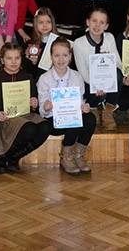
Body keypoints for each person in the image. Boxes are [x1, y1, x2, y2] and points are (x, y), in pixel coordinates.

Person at [37, 37, 97, 175]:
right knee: (72, 121)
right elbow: (42, 111)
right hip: (53, 120)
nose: (61, 59)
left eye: (64, 55)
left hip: (71, 118)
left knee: (90, 118)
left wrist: (84, 107)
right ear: (51, 57)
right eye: (56, 55)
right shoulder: (44, 79)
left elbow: (79, 101)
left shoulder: (77, 76)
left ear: (70, 57)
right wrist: (46, 107)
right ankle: (66, 156)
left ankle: (78, 154)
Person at [0, 43, 50, 173]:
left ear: (21, 59)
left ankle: (15, 156)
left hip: (25, 115)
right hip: (7, 118)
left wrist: (34, 103)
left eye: (17, 58)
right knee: (28, 128)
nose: (13, 62)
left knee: (45, 127)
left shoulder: (28, 77)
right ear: (2, 60)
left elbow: (34, 102)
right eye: (9, 58)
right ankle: (1, 157)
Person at [72, 8, 123, 131]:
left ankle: (108, 110)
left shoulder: (109, 38)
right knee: (98, 94)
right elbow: (83, 74)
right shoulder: (78, 43)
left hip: (107, 81)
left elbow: (119, 64)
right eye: (94, 21)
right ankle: (93, 107)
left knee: (118, 74)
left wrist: (108, 61)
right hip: (89, 83)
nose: (97, 25)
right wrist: (99, 84)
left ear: (106, 26)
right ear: (88, 22)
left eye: (102, 22)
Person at [23, 7, 58, 79]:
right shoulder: (32, 44)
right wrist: (33, 62)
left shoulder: (59, 42)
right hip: (39, 79)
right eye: (41, 22)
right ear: (36, 24)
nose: (45, 25)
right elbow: (29, 71)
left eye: (48, 22)